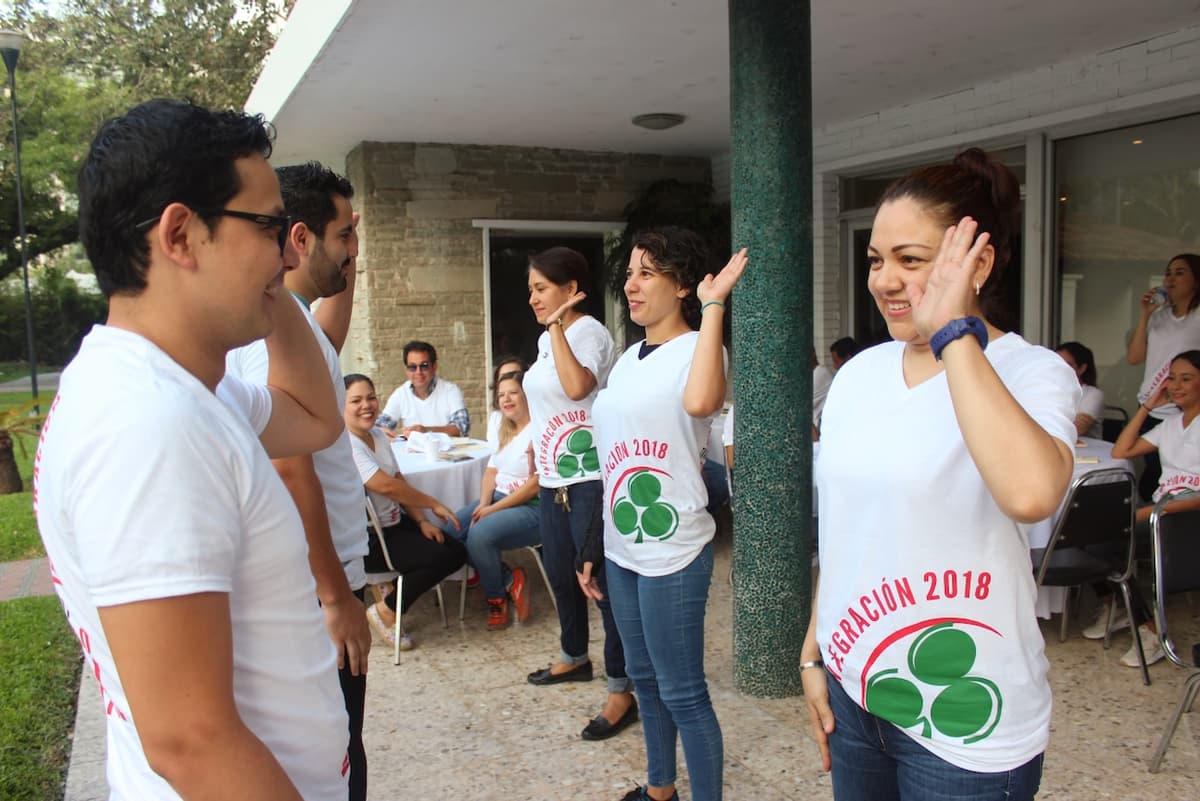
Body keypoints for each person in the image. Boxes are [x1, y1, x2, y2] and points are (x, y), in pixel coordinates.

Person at [36, 99, 350, 799]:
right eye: (270, 227)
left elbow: (311, 417)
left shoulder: (188, 390)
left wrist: (277, 290)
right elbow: (190, 739)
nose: (291, 250)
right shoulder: (147, 422)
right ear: (180, 234)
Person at [803, 148, 1078, 801]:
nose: (885, 280)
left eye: (911, 259)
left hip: (964, 723)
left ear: (976, 263)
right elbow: (845, 535)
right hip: (854, 689)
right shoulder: (858, 376)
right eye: (875, 260)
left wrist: (956, 332)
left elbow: (1033, 493)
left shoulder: (1029, 372)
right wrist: (815, 651)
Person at [580, 227, 747, 801]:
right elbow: (609, 459)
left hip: (674, 549)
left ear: (681, 286)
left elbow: (702, 403)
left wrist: (715, 305)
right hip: (623, 547)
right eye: (630, 273)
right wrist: (594, 545)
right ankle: (659, 790)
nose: (631, 284)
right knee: (646, 681)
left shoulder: (701, 348)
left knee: (683, 691)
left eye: (647, 273)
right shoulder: (626, 360)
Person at [226, 162, 372, 801]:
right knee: (336, 751)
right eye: (343, 236)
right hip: (318, 583)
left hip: (328, 573)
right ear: (302, 239)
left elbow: (330, 340)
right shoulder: (266, 340)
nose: (350, 249)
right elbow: (291, 469)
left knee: (345, 740)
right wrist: (337, 598)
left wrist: (351, 261)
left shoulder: (297, 323)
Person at [521, 246, 635, 741]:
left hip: (589, 479)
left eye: (541, 289)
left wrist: (557, 327)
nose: (532, 299)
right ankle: (574, 656)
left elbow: (576, 388)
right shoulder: (551, 338)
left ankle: (620, 689)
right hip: (552, 476)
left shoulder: (586, 332)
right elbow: (545, 405)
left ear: (570, 291)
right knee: (562, 577)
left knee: (600, 586)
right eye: (530, 290)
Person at [343, 374, 467, 649]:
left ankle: (388, 599)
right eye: (356, 400)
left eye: (371, 397)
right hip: (369, 538)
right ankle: (386, 610)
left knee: (457, 551)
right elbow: (383, 485)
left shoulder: (377, 434)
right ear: (341, 406)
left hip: (395, 525)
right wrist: (432, 503)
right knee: (436, 559)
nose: (367, 405)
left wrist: (422, 520)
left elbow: (397, 479)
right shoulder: (346, 443)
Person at [1102, 350, 1200, 666]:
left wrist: (1156, 511)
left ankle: (1146, 627)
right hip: (1161, 511)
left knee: (1112, 539)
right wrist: (1147, 407)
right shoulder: (1171, 425)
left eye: (1187, 379)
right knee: (1097, 538)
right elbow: (1122, 450)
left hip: (1187, 516)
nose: (1176, 386)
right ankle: (1146, 626)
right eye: (1172, 378)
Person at [442, 370, 541, 628]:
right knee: (448, 532)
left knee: (479, 535)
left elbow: (535, 486)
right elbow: (491, 471)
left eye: (513, 393)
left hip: (532, 508)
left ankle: (496, 598)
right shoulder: (503, 428)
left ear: (527, 395)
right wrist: (484, 505)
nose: (506, 400)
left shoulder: (540, 429)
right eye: (501, 395)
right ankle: (509, 579)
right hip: (498, 498)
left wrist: (492, 509)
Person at [1125, 253, 1200, 500]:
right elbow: (1134, 357)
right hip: (1151, 403)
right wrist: (1145, 314)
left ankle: (1159, 523)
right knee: (1153, 471)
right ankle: (1156, 523)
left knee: (1174, 474)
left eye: (1180, 273)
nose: (1171, 279)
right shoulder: (1158, 316)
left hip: (1184, 406)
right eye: (1168, 273)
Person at [378, 340, 470, 437]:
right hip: (414, 451)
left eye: (424, 366)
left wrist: (426, 430)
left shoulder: (450, 391)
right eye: (412, 367)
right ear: (406, 370)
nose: (418, 372)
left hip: (448, 451)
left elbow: (462, 428)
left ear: (434, 367)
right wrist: (384, 433)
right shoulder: (401, 394)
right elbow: (381, 425)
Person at [1055, 341, 1105, 439]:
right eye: (1056, 363)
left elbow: (1078, 429)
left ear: (1081, 368)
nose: (1059, 369)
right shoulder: (1047, 390)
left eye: (1067, 364)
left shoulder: (1093, 394)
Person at [486, 354, 528, 451]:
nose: (508, 380)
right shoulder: (496, 419)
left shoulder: (537, 421)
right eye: (503, 378)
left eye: (514, 375)